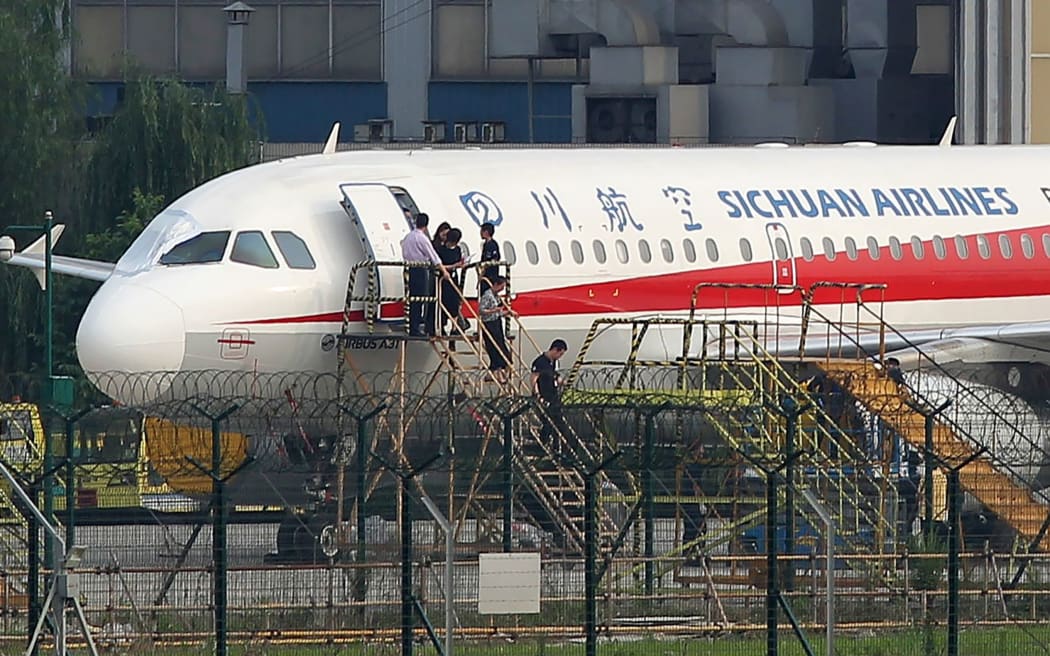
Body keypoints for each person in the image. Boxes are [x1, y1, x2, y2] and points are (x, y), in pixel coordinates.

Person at [400, 213, 450, 337]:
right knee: (420, 297)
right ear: (426, 225)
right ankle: (415, 328)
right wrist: (444, 271)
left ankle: (413, 324)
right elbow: (434, 256)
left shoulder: (408, 237)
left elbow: (404, 252)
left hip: (410, 268)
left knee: (414, 299)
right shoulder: (422, 238)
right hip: (420, 269)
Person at [531, 339, 571, 454]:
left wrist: (565, 382)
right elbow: (534, 378)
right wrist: (537, 394)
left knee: (558, 422)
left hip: (553, 396)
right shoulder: (540, 362)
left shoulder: (554, 362)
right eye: (560, 353)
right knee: (547, 421)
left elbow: (555, 377)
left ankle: (558, 448)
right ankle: (542, 445)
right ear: (554, 350)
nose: (560, 356)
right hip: (543, 395)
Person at [479, 275, 515, 381]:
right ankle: (496, 372)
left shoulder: (496, 296)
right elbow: (481, 310)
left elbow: (498, 312)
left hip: (496, 322)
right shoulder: (488, 295)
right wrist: (494, 310)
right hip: (489, 323)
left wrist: (507, 312)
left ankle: (498, 371)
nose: (502, 290)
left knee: (500, 345)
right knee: (494, 346)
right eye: (501, 287)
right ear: (495, 285)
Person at [436, 227, 466, 334]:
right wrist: (453, 265)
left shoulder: (457, 250)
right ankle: (442, 327)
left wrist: (461, 265)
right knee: (443, 302)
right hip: (444, 279)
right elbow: (440, 265)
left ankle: (454, 327)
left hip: (453, 278)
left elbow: (458, 262)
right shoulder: (441, 250)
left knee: (454, 303)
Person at [479, 222, 501, 292]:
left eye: (481, 231)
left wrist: (486, 265)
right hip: (485, 275)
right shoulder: (485, 244)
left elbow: (495, 258)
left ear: (486, 232)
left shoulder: (492, 244)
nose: (480, 233)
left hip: (491, 275)